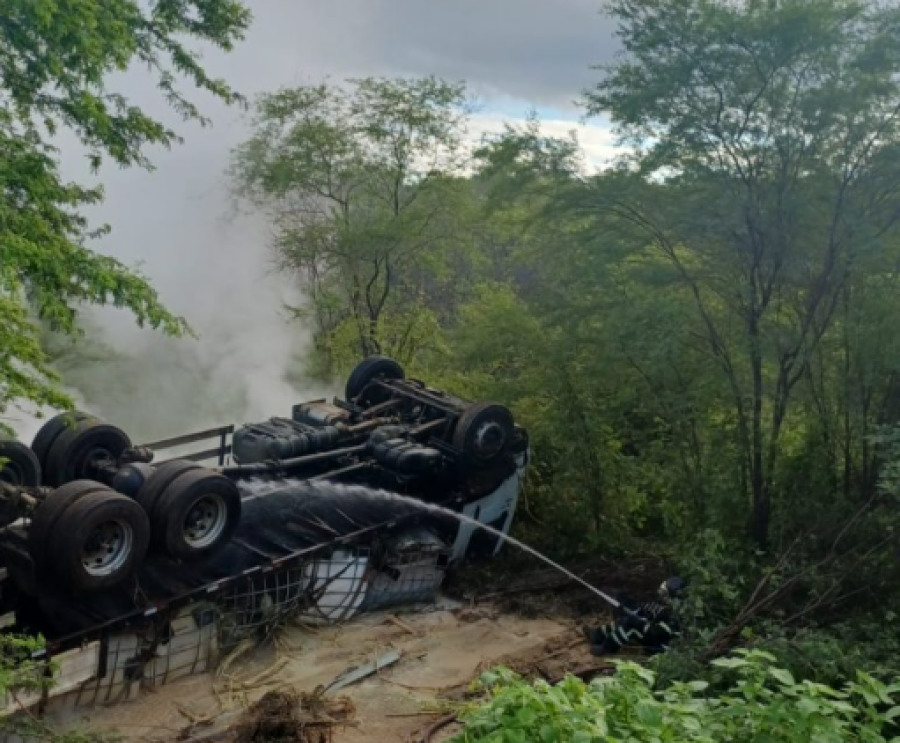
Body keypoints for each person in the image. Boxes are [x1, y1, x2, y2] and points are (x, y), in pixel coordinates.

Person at [582, 576, 686, 656]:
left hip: (660, 648)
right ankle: (597, 634)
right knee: (625, 620)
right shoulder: (668, 608)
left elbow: (657, 632)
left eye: (664, 594)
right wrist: (632, 608)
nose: (661, 596)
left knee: (630, 625)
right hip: (655, 638)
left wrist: (640, 622)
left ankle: (607, 648)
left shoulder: (676, 616)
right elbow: (647, 613)